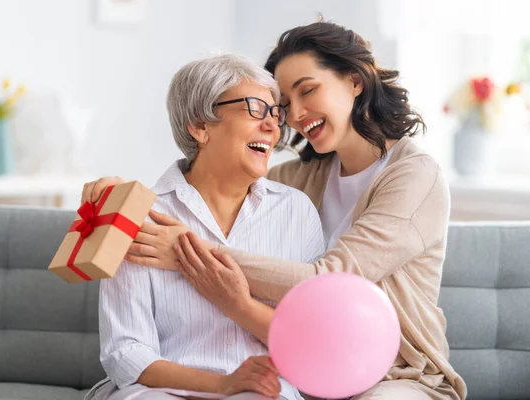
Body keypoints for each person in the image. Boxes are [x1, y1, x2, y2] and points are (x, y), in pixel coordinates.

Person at [84, 21, 468, 400]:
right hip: (313, 374)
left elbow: (328, 284)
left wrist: (188, 253)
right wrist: (114, 195)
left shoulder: (413, 175)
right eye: (281, 105)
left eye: (308, 91)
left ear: (355, 80)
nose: (292, 117)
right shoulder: (296, 179)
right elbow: (221, 173)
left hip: (395, 373)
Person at [83, 54, 325, 400]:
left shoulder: (296, 212)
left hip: (262, 392)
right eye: (256, 108)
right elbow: (127, 352)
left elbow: (313, 342)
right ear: (199, 126)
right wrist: (222, 385)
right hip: (162, 390)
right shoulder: (140, 213)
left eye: (275, 113)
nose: (273, 127)